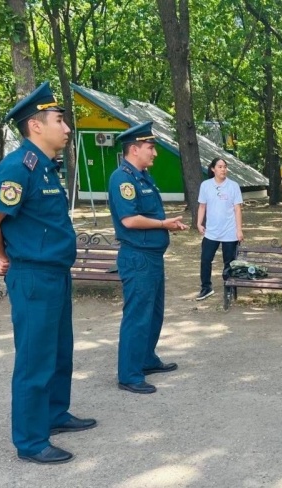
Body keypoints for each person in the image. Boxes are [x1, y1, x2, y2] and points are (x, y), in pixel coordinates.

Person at [0, 82, 96, 464]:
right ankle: (30, 441)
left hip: (55, 274)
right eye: (59, 120)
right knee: (34, 359)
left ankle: (55, 414)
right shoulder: (17, 168)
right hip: (33, 277)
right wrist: (6, 255)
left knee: (59, 351)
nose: (66, 128)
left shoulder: (46, 169)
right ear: (36, 126)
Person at [108, 121, 188, 395]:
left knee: (154, 313)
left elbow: (149, 216)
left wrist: (167, 225)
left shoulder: (142, 176)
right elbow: (129, 220)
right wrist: (164, 224)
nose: (154, 153)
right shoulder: (123, 178)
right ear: (134, 149)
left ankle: (146, 359)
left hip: (151, 256)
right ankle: (129, 374)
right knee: (138, 316)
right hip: (137, 257)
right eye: (150, 148)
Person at [196, 157, 243, 300]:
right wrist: (199, 223)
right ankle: (206, 288)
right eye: (220, 167)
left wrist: (239, 229)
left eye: (225, 167)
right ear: (213, 169)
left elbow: (237, 209)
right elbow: (202, 206)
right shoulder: (205, 185)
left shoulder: (233, 186)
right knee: (205, 259)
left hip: (229, 231)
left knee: (229, 262)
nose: (223, 169)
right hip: (211, 232)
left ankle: (228, 287)